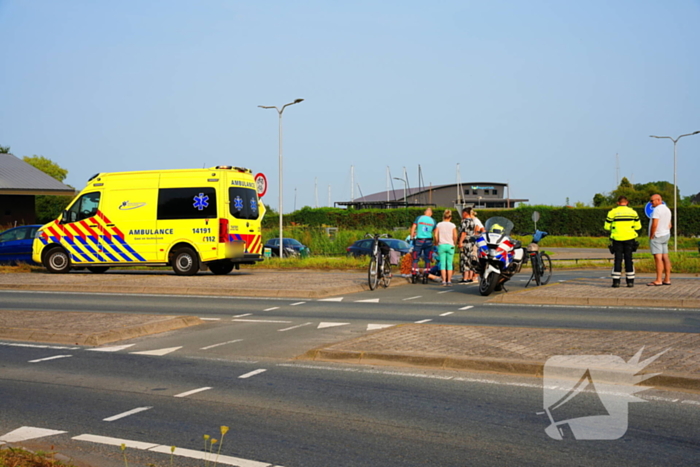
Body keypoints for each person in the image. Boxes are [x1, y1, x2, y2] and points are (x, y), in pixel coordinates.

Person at [604, 196, 642, 288]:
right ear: (627, 202)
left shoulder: (612, 212)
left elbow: (606, 227)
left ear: (618, 203)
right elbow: (638, 227)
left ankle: (616, 282)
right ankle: (630, 282)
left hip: (617, 238)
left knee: (618, 259)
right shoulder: (633, 212)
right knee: (629, 259)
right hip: (629, 238)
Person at [648, 193, 672, 286]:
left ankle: (658, 280)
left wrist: (651, 234)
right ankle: (667, 279)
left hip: (657, 235)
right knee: (665, 257)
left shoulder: (657, 210)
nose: (651, 203)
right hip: (665, 234)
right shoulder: (667, 209)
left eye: (652, 201)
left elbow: (654, 224)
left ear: (658, 200)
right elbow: (670, 224)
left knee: (658, 258)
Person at [458, 207, 484, 283]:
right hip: (471, 242)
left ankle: (465, 278)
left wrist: (460, 242)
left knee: (464, 259)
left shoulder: (465, 222)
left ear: (465, 213)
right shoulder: (473, 221)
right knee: (470, 259)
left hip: (466, 242)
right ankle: (470, 277)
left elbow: (464, 233)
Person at [434, 209, 458, 286]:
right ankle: (449, 280)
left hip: (441, 245)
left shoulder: (439, 225)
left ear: (443, 216)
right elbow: (455, 236)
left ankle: (444, 280)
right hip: (450, 245)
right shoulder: (453, 225)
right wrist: (454, 243)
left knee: (443, 264)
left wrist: (437, 242)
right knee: (449, 264)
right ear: (450, 217)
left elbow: (435, 235)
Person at [410, 207, 436, 276]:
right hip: (428, 241)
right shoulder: (433, 221)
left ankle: (414, 272)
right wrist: (436, 241)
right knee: (427, 258)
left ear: (425, 212)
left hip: (419, 240)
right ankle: (426, 272)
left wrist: (412, 236)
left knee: (415, 257)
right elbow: (435, 233)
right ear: (431, 214)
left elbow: (413, 227)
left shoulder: (419, 218)